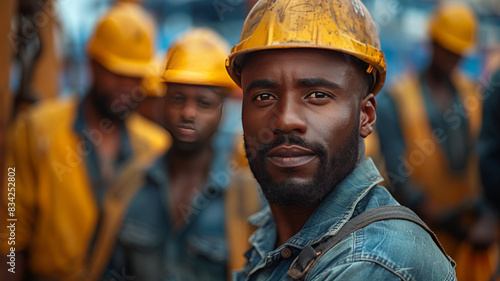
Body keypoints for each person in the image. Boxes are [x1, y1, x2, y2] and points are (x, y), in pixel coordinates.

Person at [224, 0, 456, 280]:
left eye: (318, 95)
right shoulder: (273, 234)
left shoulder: (376, 260)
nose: (285, 120)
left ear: (365, 116)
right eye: (264, 97)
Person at [1, 2, 170, 280]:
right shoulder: (35, 130)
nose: (127, 88)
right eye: (117, 74)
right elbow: (10, 227)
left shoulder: (156, 146)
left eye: (135, 78)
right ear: (92, 64)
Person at [115, 28, 262, 281]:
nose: (188, 113)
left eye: (203, 103)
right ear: (163, 102)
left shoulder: (248, 197)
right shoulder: (130, 182)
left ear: (222, 110)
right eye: (177, 99)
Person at [375, 1, 496, 262]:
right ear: (432, 42)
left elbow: (486, 153)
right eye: (448, 50)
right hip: (417, 237)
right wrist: (435, 216)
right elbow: (398, 176)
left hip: (469, 233)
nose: (454, 59)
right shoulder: (395, 99)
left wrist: (484, 213)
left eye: (460, 53)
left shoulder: (472, 93)